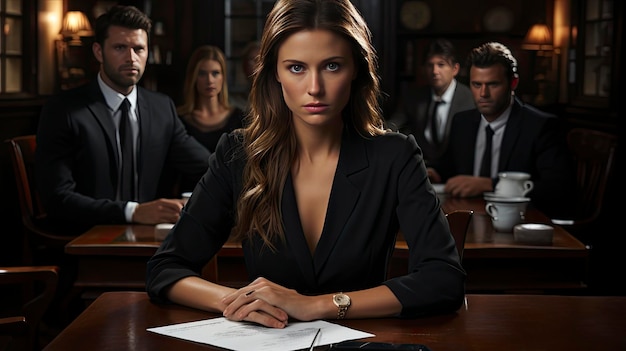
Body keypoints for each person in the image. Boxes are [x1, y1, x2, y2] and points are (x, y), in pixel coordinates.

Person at [146, 0, 465, 329]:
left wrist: (318, 306)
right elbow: (166, 268)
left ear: (355, 68)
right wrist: (237, 302)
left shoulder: (395, 156)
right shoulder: (238, 154)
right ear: (275, 72)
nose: (315, 88)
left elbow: (444, 280)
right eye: (297, 67)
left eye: (331, 66)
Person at [35, 5, 211, 236]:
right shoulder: (64, 110)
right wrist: (132, 212)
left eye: (139, 49)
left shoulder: (161, 108)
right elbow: (57, 198)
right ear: (99, 52)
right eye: (120, 48)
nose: (131, 58)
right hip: (84, 239)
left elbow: (207, 166)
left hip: (152, 241)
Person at [428, 42, 575, 218]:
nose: (483, 94)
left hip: (521, 222)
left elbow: (557, 188)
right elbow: (449, 168)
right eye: (476, 84)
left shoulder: (540, 126)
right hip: (468, 219)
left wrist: (491, 184)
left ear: (513, 83)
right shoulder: (462, 122)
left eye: (493, 84)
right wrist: (434, 173)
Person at [387, 38, 474, 165]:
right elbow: (394, 124)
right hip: (421, 168)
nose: (434, 71)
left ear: (455, 69)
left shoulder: (470, 99)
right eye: (430, 65)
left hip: (457, 171)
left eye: (441, 65)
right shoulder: (413, 97)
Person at [174, 45, 246, 191]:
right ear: (193, 77)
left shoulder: (240, 118)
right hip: (189, 197)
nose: (209, 80)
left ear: (223, 77)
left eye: (215, 73)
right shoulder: (179, 120)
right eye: (202, 73)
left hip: (230, 196)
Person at [230, 40, 261, 112]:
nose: (257, 65)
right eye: (252, 60)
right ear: (244, 66)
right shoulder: (235, 101)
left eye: (259, 60)